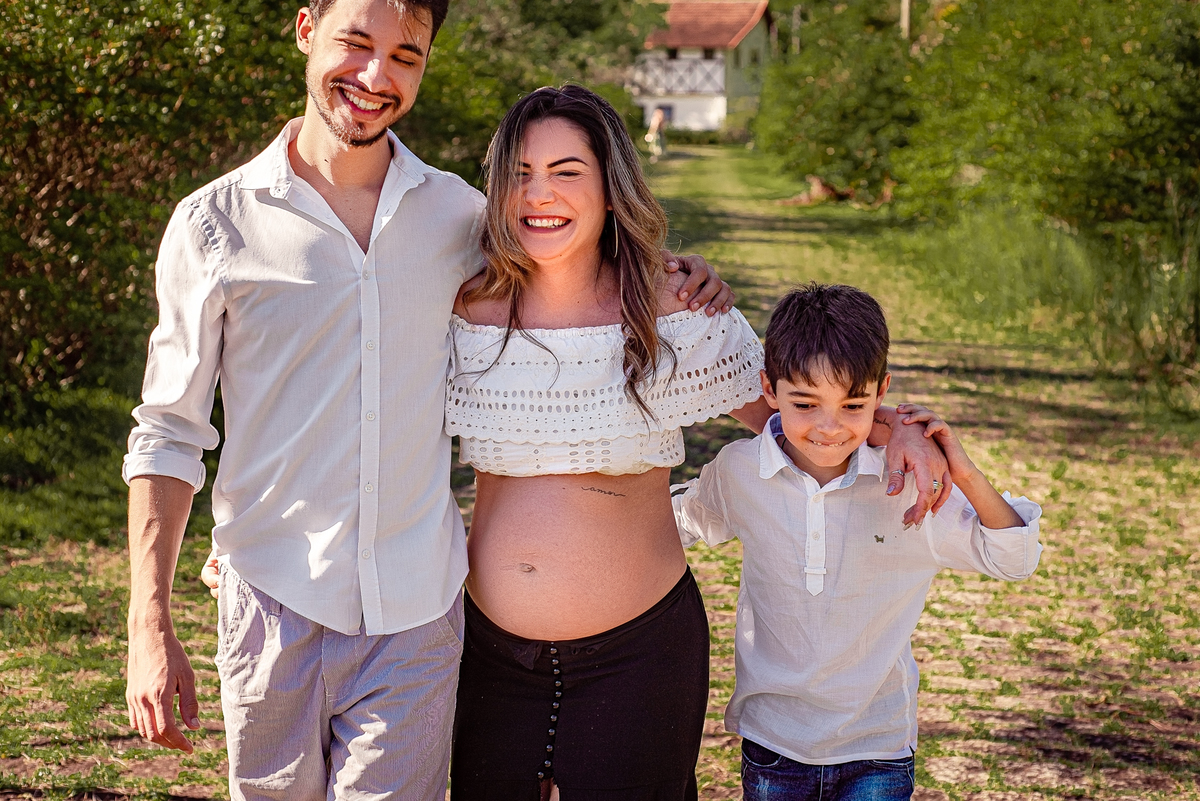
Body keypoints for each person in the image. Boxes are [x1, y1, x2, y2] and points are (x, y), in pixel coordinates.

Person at [122, 2, 731, 800]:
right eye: (355, 43)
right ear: (306, 30)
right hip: (271, 601)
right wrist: (148, 622)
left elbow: (568, 256)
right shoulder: (213, 226)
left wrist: (666, 274)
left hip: (416, 613)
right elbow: (168, 434)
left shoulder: (460, 217)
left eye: (406, 56)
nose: (377, 77)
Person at [442, 87, 951, 801]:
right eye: (520, 173)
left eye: (566, 171)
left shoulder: (675, 308)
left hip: (638, 654)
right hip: (487, 651)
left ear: (612, 189)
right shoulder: (465, 308)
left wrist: (906, 432)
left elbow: (800, 412)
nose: (539, 194)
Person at [672, 283, 1044, 801]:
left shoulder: (909, 487)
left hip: (877, 749)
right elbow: (677, 525)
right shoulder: (740, 472)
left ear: (881, 391)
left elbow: (1014, 558)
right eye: (805, 403)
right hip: (773, 741)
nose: (829, 427)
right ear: (768, 388)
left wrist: (962, 469)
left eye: (852, 405)